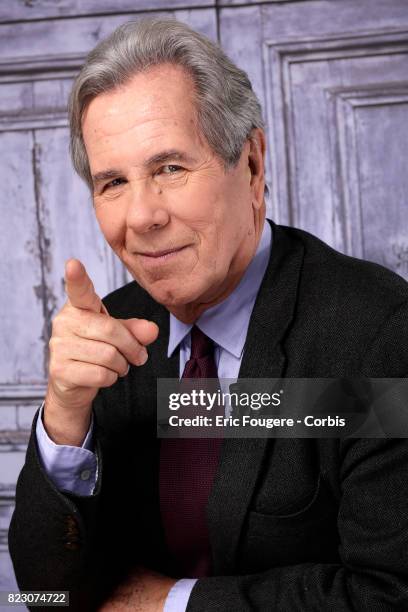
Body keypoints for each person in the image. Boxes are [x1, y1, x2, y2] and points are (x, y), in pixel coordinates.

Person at [9, 17, 408, 612]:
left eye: (169, 168)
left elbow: (390, 593)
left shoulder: (377, 332)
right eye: (113, 181)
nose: (141, 216)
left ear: (250, 164)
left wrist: (174, 605)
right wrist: (65, 415)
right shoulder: (110, 332)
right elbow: (47, 595)